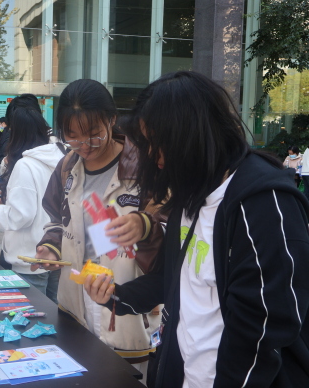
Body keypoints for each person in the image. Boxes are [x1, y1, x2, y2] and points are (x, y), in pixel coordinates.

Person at [85, 71, 309, 388]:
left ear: (191, 136)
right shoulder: (191, 197)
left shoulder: (263, 203)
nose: (153, 156)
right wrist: (116, 297)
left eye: (159, 143)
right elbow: (173, 282)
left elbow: (265, 326)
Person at [31, 79, 165, 378]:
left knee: (123, 378)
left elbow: (173, 230)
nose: (84, 145)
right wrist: (50, 247)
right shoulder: (67, 167)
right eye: (72, 136)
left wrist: (144, 225)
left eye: (94, 134)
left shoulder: (145, 166)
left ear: (111, 120)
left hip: (127, 299)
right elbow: (58, 220)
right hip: (75, 298)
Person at [0, 107, 65, 303]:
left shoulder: (26, 164)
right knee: (55, 314)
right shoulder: (61, 159)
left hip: (30, 257)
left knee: (32, 315)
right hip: (55, 252)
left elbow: (21, 215)